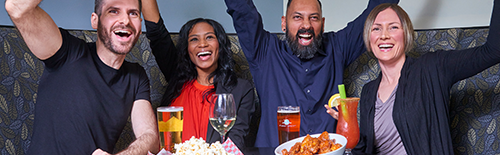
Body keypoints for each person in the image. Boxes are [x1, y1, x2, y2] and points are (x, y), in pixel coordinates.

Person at [225, 0, 399, 147]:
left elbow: (377, 10)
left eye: (313, 18)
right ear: (284, 23)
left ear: (322, 24)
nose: (306, 25)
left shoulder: (337, 47)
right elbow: (242, 10)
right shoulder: (264, 51)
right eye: (297, 17)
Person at [5, 0, 160, 154]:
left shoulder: (136, 76)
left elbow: (151, 138)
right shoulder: (68, 52)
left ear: (140, 25)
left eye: (133, 13)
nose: (125, 20)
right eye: (113, 11)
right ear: (95, 20)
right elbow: (17, 7)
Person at [351, 1, 500, 154]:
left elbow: (493, 51)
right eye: (376, 28)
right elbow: (363, 149)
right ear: (369, 37)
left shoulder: (432, 67)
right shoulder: (368, 91)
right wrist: (347, 137)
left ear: (406, 33)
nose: (384, 35)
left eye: (393, 27)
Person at [142, 0, 256, 149]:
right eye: (194, 39)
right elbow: (156, 33)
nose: (202, 44)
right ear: (187, 49)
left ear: (220, 45)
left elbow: (236, 140)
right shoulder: (176, 76)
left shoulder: (241, 90)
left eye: (209, 37)